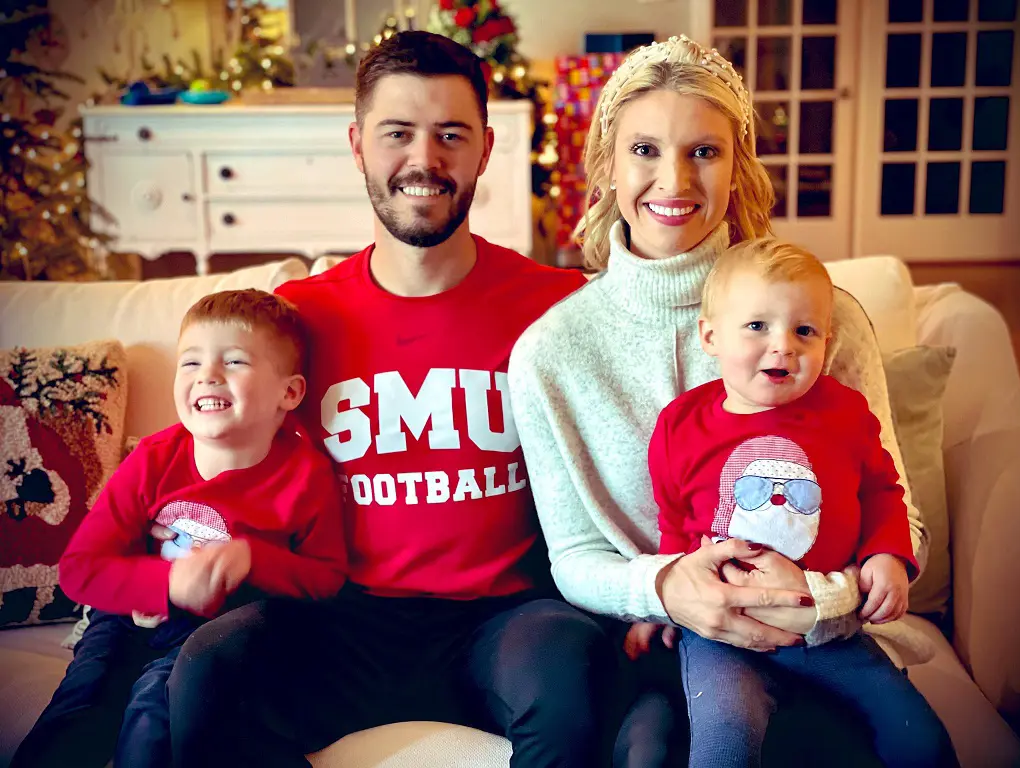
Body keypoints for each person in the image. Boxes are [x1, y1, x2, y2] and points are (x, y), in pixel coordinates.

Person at [166, 31, 611, 768]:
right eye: (397, 133)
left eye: (450, 135)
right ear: (358, 144)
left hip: (505, 618)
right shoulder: (296, 319)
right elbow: (228, 464)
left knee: (564, 669)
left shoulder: (559, 304)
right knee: (211, 666)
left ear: (485, 148)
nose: (424, 160)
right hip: (345, 618)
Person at [509, 35, 938, 767]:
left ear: (737, 167)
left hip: (824, 628)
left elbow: (899, 514)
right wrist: (670, 587)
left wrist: (826, 594)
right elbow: (574, 555)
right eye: (644, 149)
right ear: (608, 163)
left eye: (703, 152)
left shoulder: (822, 321)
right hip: (665, 643)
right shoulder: (551, 352)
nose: (672, 179)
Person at [629, 237, 954, 767]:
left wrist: (888, 556)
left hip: (828, 630)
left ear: (827, 340)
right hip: (723, 633)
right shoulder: (680, 426)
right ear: (710, 336)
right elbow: (674, 520)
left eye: (804, 330)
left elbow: (881, 492)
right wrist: (663, 599)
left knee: (918, 735)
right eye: (757, 326)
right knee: (725, 741)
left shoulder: (844, 413)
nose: (783, 346)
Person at [11, 289, 348, 768]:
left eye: (233, 361)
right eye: (190, 363)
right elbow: (79, 569)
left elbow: (327, 579)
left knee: (154, 712)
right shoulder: (153, 459)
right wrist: (167, 583)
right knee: (79, 705)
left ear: (289, 393)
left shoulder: (307, 475)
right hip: (129, 619)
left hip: (221, 634)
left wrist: (254, 559)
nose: (207, 375)